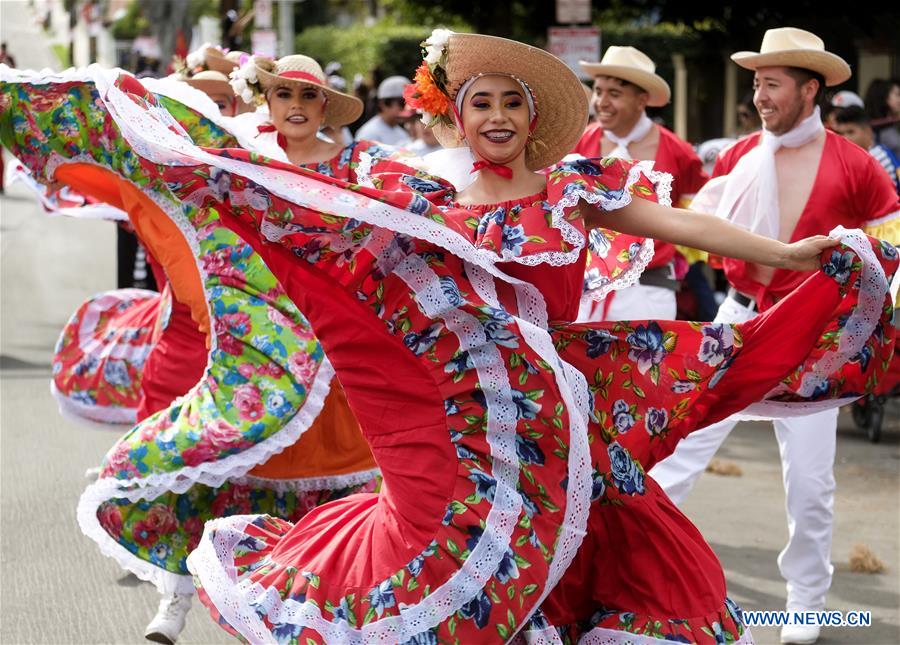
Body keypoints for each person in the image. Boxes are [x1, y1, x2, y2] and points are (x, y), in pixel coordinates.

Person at [2, 32, 896, 644]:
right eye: (481, 103)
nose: (499, 116)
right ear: (457, 116)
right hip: (464, 429)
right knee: (469, 565)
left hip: (566, 410)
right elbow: (320, 224)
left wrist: (785, 251)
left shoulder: (568, 188)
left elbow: (674, 222)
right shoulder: (427, 195)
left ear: (533, 118)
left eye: (513, 102)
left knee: (630, 559)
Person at [650, 27, 900, 645]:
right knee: (677, 453)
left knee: (810, 480)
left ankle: (806, 605)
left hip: (811, 337)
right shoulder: (735, 158)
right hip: (737, 319)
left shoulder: (856, 164)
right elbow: (694, 229)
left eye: (772, 84)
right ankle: (642, 575)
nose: (760, 95)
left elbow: (892, 239)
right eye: (757, 83)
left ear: (809, 88)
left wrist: (868, 316)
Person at [574, 46, 709, 322]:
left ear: (641, 99)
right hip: (586, 289)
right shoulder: (580, 143)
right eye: (598, 92)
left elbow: (698, 213)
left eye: (614, 94)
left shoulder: (679, 153)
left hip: (651, 289)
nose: (601, 102)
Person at [833, 105, 900, 193]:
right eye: (841, 133)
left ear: (868, 131)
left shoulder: (876, 159)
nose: (845, 138)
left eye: (850, 132)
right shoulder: (875, 153)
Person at [354, 74, 413, 146]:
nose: (407, 108)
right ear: (384, 104)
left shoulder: (401, 132)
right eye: (403, 103)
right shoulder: (369, 134)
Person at [864, 78, 900, 158]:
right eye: (897, 94)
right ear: (884, 97)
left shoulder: (892, 124)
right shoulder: (870, 129)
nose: (899, 100)